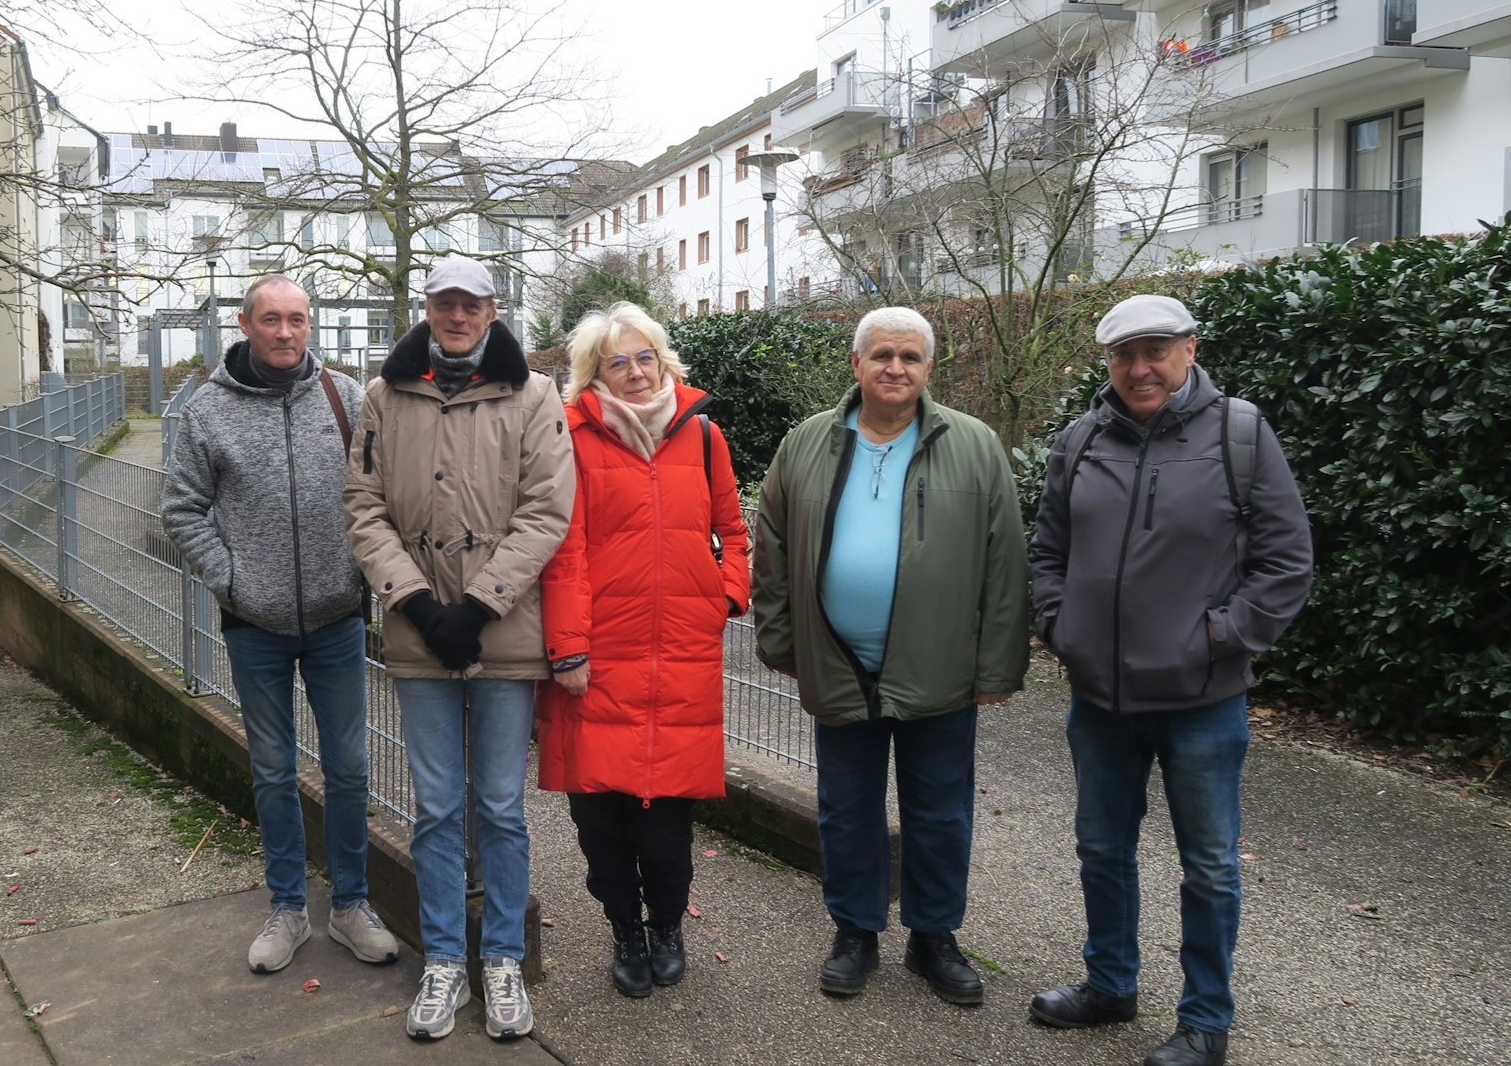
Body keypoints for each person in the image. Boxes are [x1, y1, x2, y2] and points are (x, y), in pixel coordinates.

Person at [1027, 295, 1313, 1066]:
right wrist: (1061, 625)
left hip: (1201, 702)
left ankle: (1205, 1021)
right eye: (1123, 355)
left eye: (1155, 350)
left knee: (1211, 866)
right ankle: (1110, 984)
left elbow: (1286, 564)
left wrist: (1220, 638)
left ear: (1190, 349)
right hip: (1101, 698)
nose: (1139, 368)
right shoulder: (1081, 439)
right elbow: (1046, 550)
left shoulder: (1239, 433)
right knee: (1101, 848)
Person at [751, 306, 1028, 1008]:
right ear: (856, 364)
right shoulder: (805, 442)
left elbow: (1005, 563)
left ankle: (934, 935)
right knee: (846, 808)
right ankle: (855, 930)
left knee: (939, 810)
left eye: (910, 356)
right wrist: (782, 641)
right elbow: (773, 550)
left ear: (929, 368)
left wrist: (998, 666)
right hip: (841, 664)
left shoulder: (974, 444)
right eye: (881, 355)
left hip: (940, 666)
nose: (895, 368)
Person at [343, 254, 573, 1042]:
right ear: (428, 306)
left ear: (493, 309)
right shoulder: (384, 396)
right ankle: (446, 957)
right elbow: (364, 506)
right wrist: (412, 599)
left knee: (501, 806)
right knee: (438, 806)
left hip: (503, 631)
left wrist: (476, 606)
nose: (458, 314)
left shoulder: (535, 395)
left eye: (471, 303)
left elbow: (548, 510)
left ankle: (501, 957)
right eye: (445, 301)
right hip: (418, 633)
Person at [161, 274, 398, 975]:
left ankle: (351, 905)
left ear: (310, 323)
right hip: (253, 623)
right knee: (272, 768)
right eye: (272, 319)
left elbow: (380, 493)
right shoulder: (209, 410)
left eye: (297, 318)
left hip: (335, 619)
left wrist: (365, 574)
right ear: (245, 323)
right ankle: (288, 907)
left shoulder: (346, 397)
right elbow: (181, 508)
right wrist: (230, 577)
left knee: (350, 768)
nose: (286, 332)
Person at [535, 303, 750, 999]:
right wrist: (567, 646)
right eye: (615, 362)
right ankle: (624, 929)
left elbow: (734, 530)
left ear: (664, 361)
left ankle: (667, 928)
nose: (632, 372)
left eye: (643, 357)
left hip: (680, 658)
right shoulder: (570, 436)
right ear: (592, 373)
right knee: (601, 825)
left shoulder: (704, 435)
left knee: (665, 832)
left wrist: (723, 596)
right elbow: (561, 549)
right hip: (595, 660)